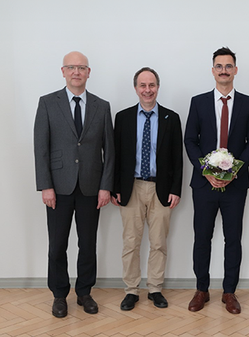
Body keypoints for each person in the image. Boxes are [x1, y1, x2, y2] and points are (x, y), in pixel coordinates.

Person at [34, 51, 115, 318]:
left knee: (87, 243)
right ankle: (59, 295)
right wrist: (45, 185)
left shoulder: (102, 106)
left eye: (81, 67)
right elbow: (41, 148)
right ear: (63, 71)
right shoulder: (47, 103)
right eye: (71, 67)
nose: (76, 72)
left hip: (91, 187)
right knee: (57, 244)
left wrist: (106, 186)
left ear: (89, 72)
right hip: (58, 187)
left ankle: (84, 292)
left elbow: (109, 151)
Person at [184, 47, 249, 314]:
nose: (224, 70)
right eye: (219, 66)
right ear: (213, 70)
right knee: (202, 238)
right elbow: (190, 141)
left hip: (235, 185)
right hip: (204, 185)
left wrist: (234, 171)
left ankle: (229, 292)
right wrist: (206, 170)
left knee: (233, 239)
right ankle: (201, 290)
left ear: (235, 70)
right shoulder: (198, 102)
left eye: (228, 66)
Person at [112, 67, 183, 311]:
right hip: (130, 187)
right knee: (131, 242)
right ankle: (131, 290)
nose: (147, 90)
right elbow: (116, 156)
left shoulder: (171, 118)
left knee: (159, 242)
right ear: (135, 88)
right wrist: (115, 188)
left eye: (151, 85)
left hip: (160, 189)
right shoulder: (122, 118)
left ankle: (154, 288)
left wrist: (176, 189)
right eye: (142, 85)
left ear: (158, 87)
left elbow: (177, 158)